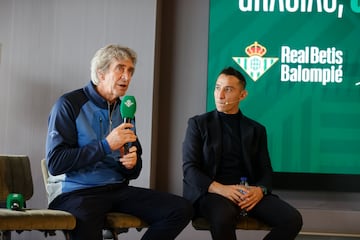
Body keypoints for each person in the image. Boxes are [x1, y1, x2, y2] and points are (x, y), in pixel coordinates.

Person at [45, 44, 193, 240]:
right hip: (75, 192)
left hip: (115, 189)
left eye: (130, 71)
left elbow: (133, 169)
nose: (127, 76)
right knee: (87, 220)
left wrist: (131, 163)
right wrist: (106, 145)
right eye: (120, 69)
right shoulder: (68, 104)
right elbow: (56, 163)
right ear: (101, 73)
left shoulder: (125, 110)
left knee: (180, 209)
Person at [182, 66, 303, 240]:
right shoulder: (198, 124)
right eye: (217, 88)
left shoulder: (256, 130)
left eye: (228, 89)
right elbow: (189, 169)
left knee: (292, 219)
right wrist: (223, 189)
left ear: (242, 95)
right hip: (212, 193)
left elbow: (266, 171)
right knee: (223, 216)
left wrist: (260, 191)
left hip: (247, 194)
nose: (220, 95)